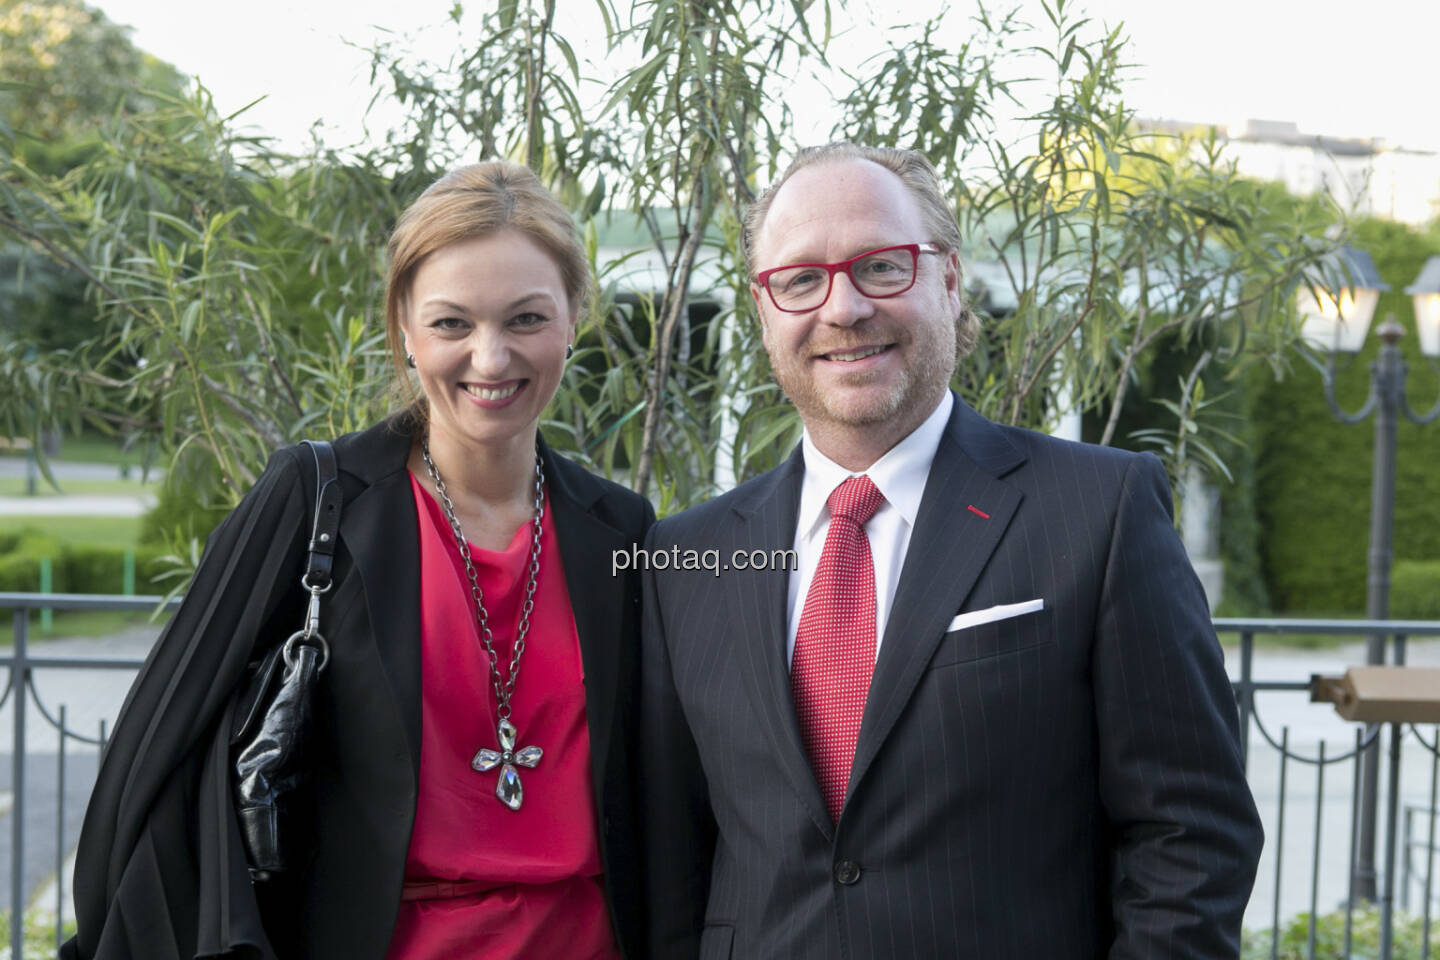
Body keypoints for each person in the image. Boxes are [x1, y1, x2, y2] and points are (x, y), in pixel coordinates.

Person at [639, 143, 1262, 959]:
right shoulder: (686, 558)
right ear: (764, 314)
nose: (844, 307)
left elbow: (1190, 834)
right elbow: (673, 864)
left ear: (950, 280)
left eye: (882, 266)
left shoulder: (1098, 512)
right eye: (799, 280)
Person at [64, 161, 653, 960]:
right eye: (451, 324)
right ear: (402, 329)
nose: (490, 358)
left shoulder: (620, 531)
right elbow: (152, 756)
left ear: (573, 318)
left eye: (525, 319)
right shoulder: (315, 499)